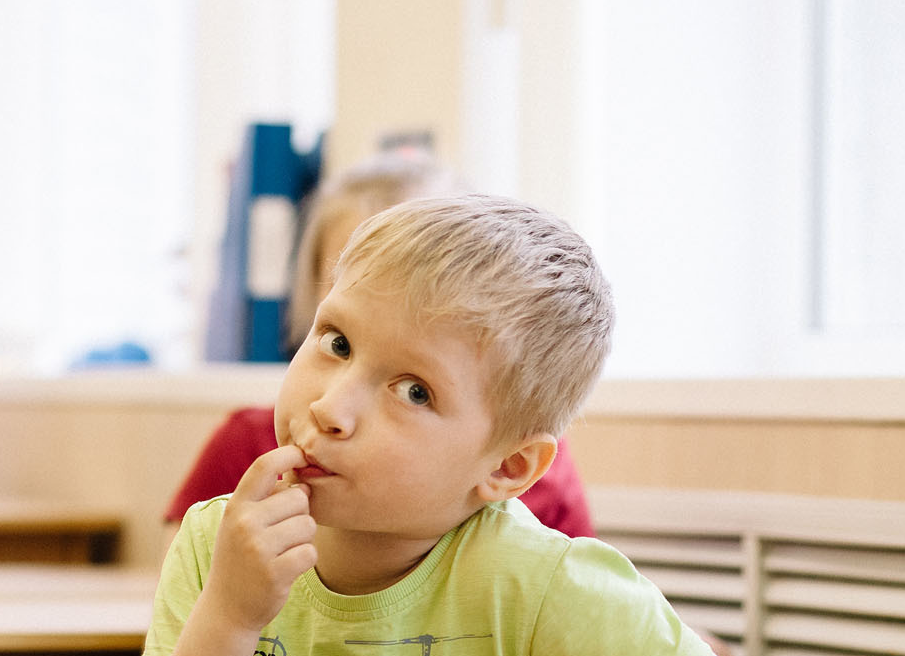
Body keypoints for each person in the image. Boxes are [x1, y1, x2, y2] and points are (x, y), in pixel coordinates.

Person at [93, 194, 783, 656]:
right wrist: (231, 613)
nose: (331, 407)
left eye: (415, 391)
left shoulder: (544, 583)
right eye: (337, 342)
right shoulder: (219, 544)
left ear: (507, 467)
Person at [168, 143, 592, 538]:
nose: (331, 410)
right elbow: (179, 578)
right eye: (357, 270)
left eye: (429, 278)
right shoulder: (244, 446)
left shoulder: (527, 469)